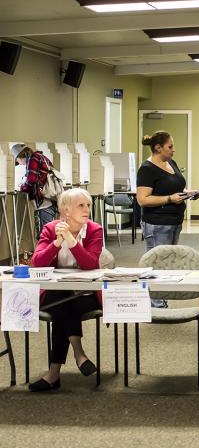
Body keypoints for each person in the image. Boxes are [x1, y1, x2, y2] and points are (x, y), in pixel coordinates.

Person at [28, 188, 104, 392]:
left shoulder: (95, 230)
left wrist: (71, 242)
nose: (87, 209)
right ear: (66, 210)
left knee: (62, 304)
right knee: (61, 297)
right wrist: (56, 243)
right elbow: (37, 263)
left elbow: (90, 264)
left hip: (85, 295)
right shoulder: (51, 228)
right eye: (81, 205)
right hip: (56, 295)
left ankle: (53, 374)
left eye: (88, 205)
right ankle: (79, 354)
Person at [136, 131, 199, 308]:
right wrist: (169, 199)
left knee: (168, 264)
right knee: (157, 265)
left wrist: (188, 193)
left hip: (174, 221)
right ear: (158, 148)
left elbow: (176, 187)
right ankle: (156, 305)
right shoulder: (147, 169)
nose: (174, 150)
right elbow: (142, 199)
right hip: (157, 224)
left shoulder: (170, 163)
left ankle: (160, 300)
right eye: (170, 147)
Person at [12, 144, 58, 234]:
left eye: (17, 161)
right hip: (50, 198)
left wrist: (21, 187)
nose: (19, 163)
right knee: (48, 231)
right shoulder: (41, 156)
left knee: (45, 234)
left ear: (20, 156)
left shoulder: (33, 159)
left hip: (44, 201)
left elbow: (31, 181)